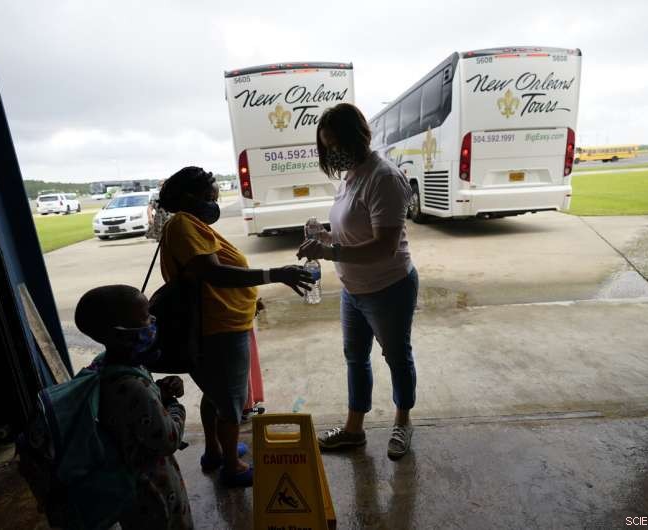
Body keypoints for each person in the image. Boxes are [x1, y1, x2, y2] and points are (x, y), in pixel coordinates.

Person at [158, 166, 313, 487]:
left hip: (225, 322)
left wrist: (249, 297)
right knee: (231, 403)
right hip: (219, 329)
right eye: (210, 195)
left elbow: (217, 274)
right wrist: (275, 274)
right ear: (190, 197)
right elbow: (214, 274)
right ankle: (232, 465)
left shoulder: (192, 224)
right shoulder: (183, 225)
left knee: (214, 394)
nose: (215, 201)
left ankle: (215, 451)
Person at [296, 103, 419, 460]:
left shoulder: (383, 177)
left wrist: (328, 252)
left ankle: (402, 422)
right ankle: (354, 430)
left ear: (360, 135)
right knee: (355, 357)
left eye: (338, 142)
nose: (334, 151)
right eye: (327, 145)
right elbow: (352, 229)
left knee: (397, 356)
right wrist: (326, 233)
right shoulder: (351, 177)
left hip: (388, 287)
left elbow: (383, 246)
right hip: (354, 290)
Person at [74, 285, 192, 529]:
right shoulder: (132, 386)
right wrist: (172, 404)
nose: (153, 321)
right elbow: (168, 438)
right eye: (146, 317)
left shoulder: (104, 366)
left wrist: (158, 390)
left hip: (130, 486)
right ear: (120, 334)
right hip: (150, 490)